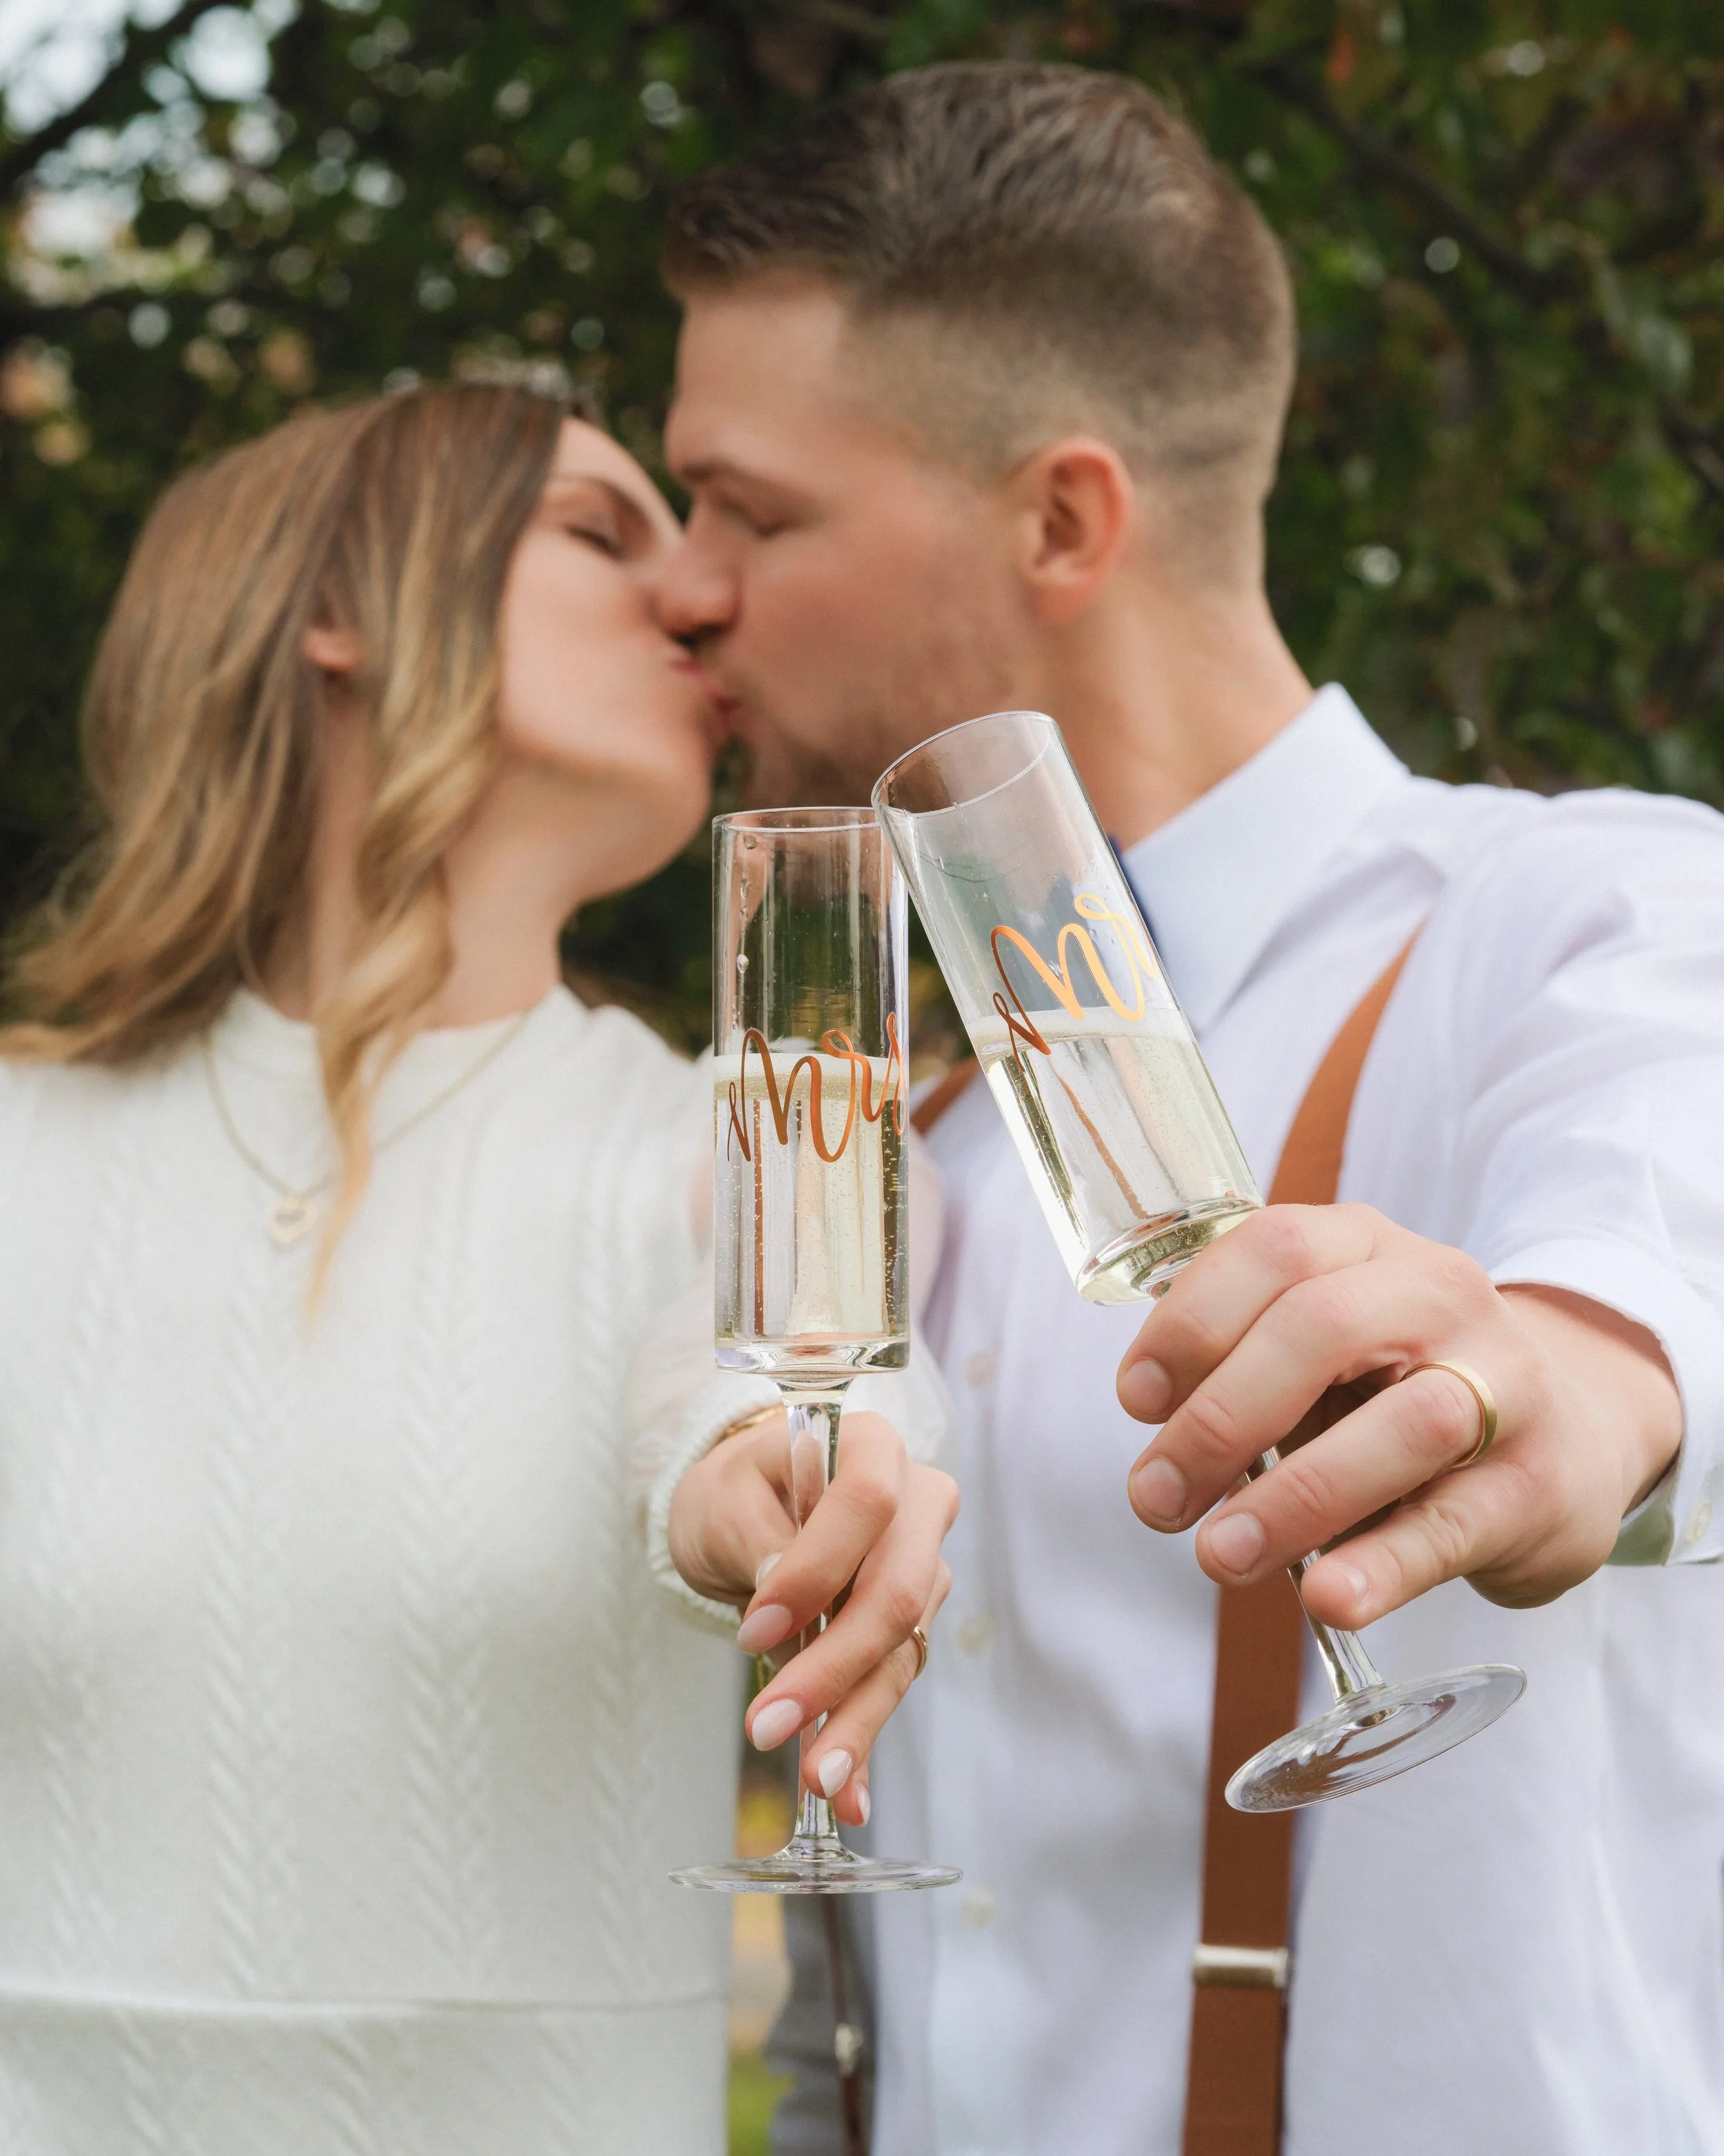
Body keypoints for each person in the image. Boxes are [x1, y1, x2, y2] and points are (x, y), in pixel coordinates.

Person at [654, 62, 1724, 2156]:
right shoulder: (905, 1119)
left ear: (1061, 518)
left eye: (751, 510)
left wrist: (1572, 1392)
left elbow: (1653, 1256)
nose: (686, 588)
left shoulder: (1598, 912)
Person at [0, 379, 953, 2155]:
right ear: (332, 609)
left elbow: (780, 1384)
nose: (697, 601)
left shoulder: (755, 1137)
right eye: (600, 531)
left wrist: (774, 1485)